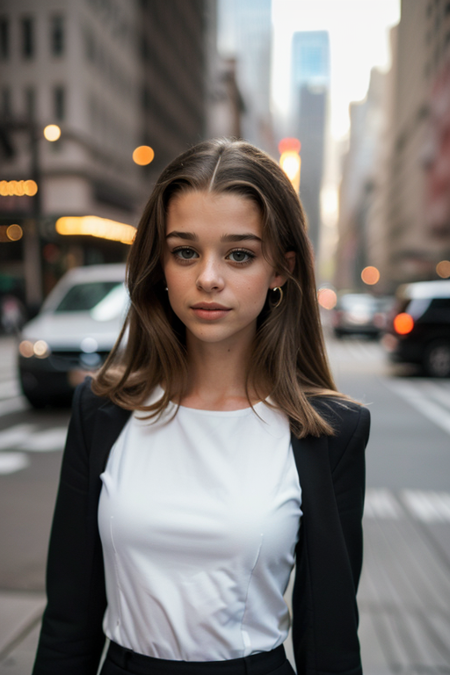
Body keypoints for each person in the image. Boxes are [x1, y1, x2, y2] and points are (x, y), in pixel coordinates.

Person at [32, 138, 370, 675]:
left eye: (239, 254)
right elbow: (68, 621)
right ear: (160, 264)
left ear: (280, 270)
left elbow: (329, 638)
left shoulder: (328, 431)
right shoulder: (102, 411)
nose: (208, 277)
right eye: (185, 251)